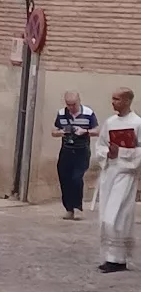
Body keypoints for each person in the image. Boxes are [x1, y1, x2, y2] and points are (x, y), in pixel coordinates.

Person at [95, 88, 141, 272]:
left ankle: (118, 258)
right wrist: (108, 153)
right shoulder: (110, 122)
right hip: (110, 173)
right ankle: (111, 258)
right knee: (105, 217)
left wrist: (121, 152)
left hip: (126, 174)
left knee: (116, 216)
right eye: (112, 98)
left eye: (117, 99)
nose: (113, 102)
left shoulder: (137, 123)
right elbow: (100, 146)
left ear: (128, 101)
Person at [52, 91, 99, 220]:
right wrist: (62, 132)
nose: (71, 107)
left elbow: (97, 130)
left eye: (73, 104)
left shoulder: (88, 113)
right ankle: (69, 209)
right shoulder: (62, 113)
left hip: (81, 151)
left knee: (76, 179)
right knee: (64, 179)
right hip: (66, 151)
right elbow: (54, 131)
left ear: (79, 101)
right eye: (68, 104)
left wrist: (85, 131)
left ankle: (77, 207)